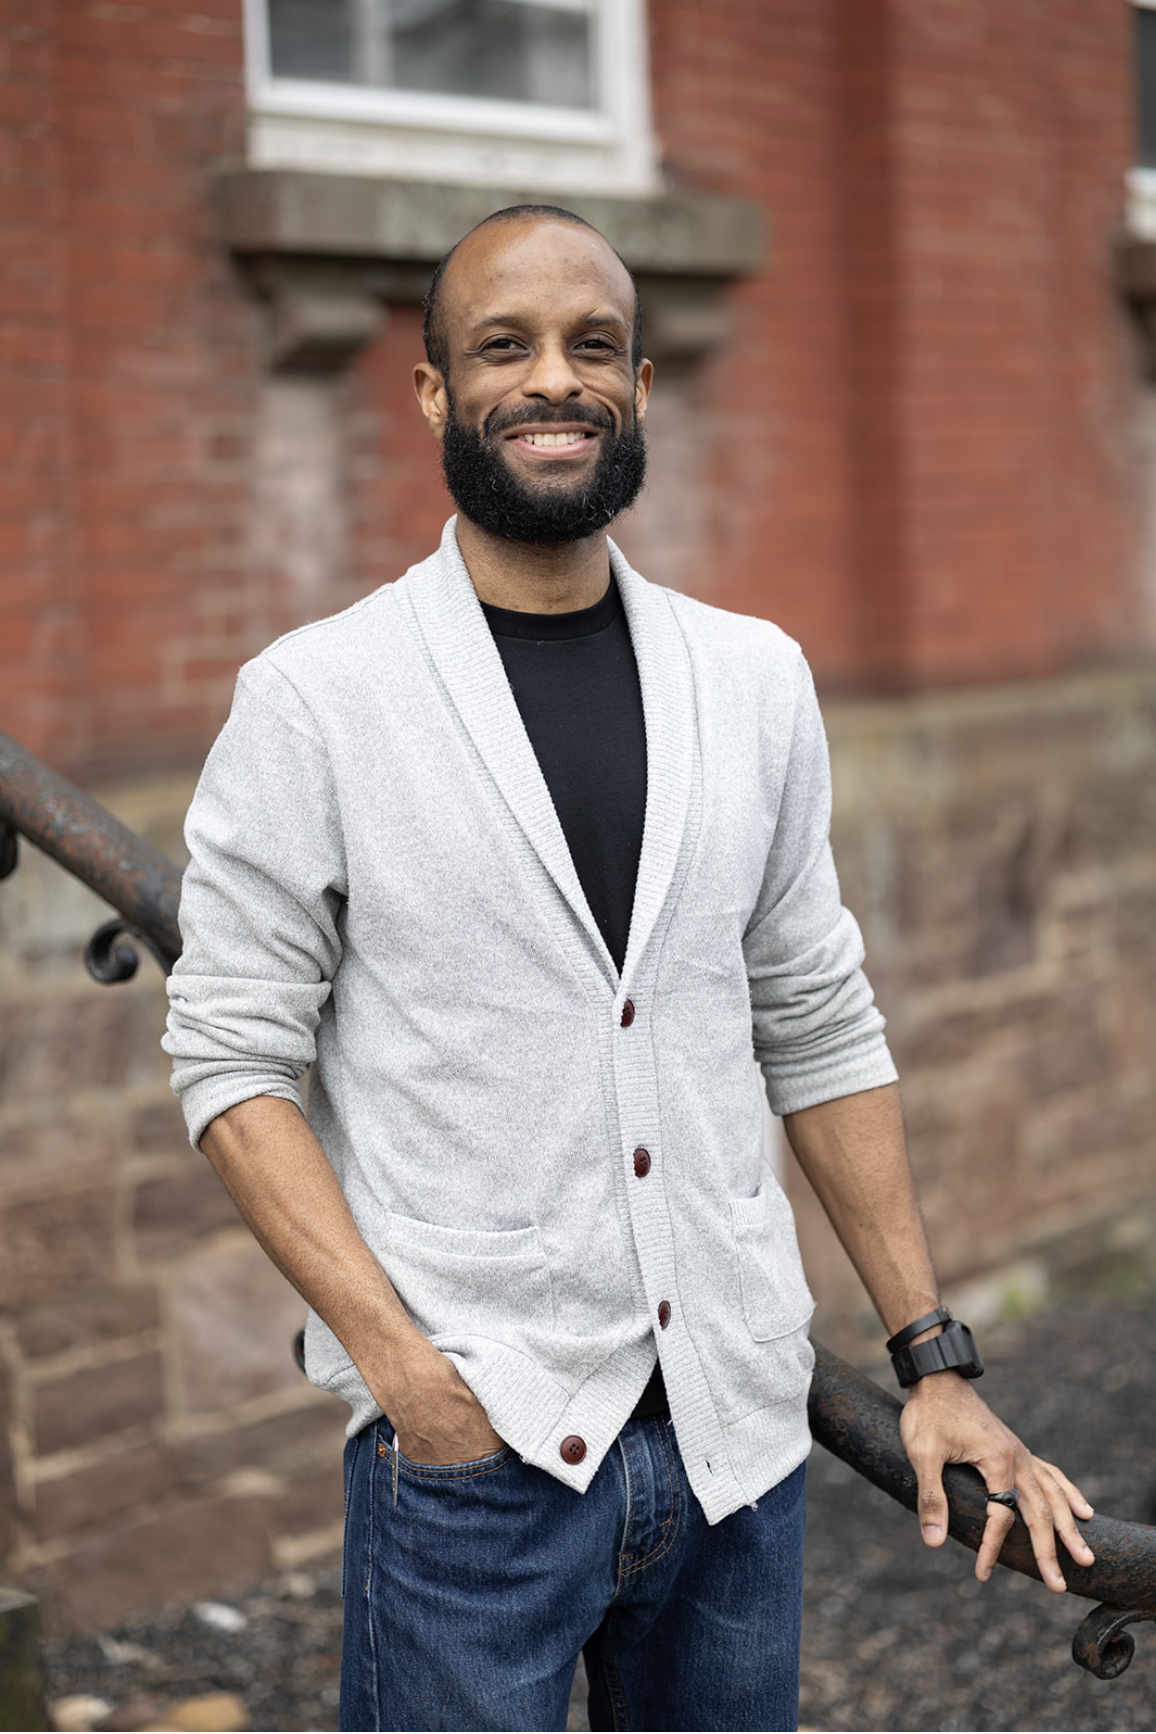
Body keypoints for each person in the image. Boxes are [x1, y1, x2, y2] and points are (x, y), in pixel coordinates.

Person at [164, 204, 1094, 1734]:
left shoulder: (754, 680)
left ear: (642, 386)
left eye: (592, 344)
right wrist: (410, 1379)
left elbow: (817, 1020)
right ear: (432, 391)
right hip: (475, 1466)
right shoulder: (317, 701)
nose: (555, 377)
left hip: (740, 1450)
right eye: (504, 346)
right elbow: (230, 1058)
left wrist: (932, 1357)